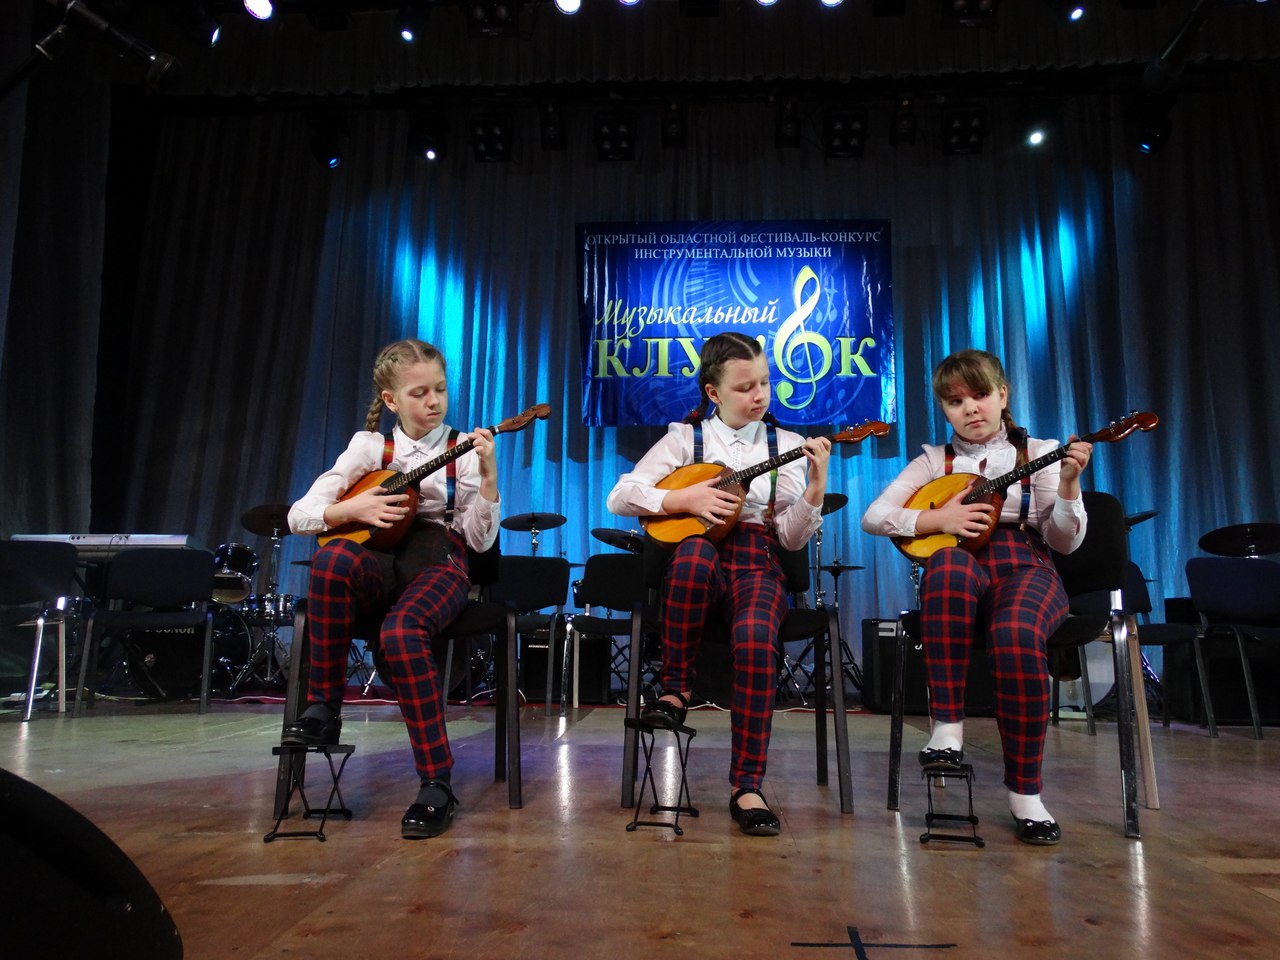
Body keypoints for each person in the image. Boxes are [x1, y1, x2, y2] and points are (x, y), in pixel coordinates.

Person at [861, 349, 1092, 845]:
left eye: (981, 394)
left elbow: (1064, 542)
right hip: (962, 565)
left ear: (1003, 395)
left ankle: (1025, 793)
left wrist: (1069, 485)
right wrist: (936, 519)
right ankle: (947, 728)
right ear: (944, 410)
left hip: (1025, 565)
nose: (970, 408)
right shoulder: (933, 461)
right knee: (946, 564)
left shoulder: (1040, 452)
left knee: (1015, 634)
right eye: (955, 401)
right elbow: (874, 516)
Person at [607, 331, 832, 837]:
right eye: (744, 387)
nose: (759, 395)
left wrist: (815, 488)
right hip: (699, 561)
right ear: (713, 392)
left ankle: (747, 784)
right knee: (692, 555)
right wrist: (682, 501)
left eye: (764, 383)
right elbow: (620, 496)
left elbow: (791, 539)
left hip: (758, 561)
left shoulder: (787, 447)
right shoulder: (685, 440)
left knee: (755, 638)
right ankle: (676, 689)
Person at [283, 338, 500, 839]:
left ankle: (437, 782)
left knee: (401, 634)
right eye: (419, 393)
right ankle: (324, 708)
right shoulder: (369, 448)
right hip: (380, 558)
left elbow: (478, 541)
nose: (433, 401)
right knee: (332, 558)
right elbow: (299, 515)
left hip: (439, 559)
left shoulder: (463, 450)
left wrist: (489, 474)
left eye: (440, 389)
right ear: (390, 400)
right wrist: (351, 509)